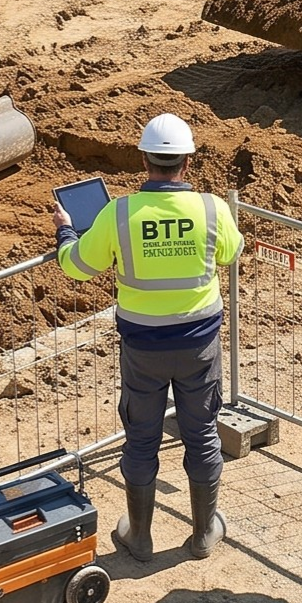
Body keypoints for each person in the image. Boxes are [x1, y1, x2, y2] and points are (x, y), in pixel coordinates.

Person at [55, 113, 243, 564]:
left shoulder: (117, 212)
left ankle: (139, 538)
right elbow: (233, 251)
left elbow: (76, 267)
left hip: (143, 349)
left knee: (142, 439)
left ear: (144, 159)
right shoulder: (212, 208)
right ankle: (202, 535)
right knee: (201, 434)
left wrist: (66, 230)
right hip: (199, 346)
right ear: (187, 163)